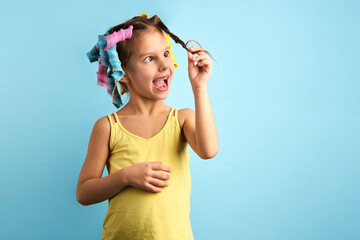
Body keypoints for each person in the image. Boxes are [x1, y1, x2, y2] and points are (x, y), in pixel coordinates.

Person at [76, 13, 218, 240]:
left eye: (165, 53)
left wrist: (199, 87)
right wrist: (125, 177)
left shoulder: (182, 119)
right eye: (149, 59)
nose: (164, 64)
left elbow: (209, 150)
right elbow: (83, 193)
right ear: (122, 72)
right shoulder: (107, 127)